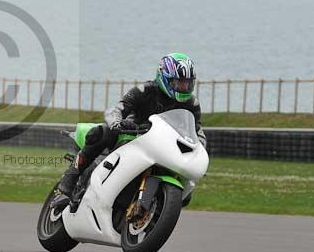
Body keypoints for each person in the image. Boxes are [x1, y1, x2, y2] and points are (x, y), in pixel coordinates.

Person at [54, 53, 207, 205]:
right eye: (179, 82)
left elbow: (197, 132)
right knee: (101, 133)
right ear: (164, 77)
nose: (184, 87)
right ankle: (66, 185)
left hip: (164, 147)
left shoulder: (191, 104)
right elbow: (116, 109)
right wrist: (117, 123)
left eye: (187, 83)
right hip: (132, 134)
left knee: (185, 197)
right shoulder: (145, 90)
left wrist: (198, 157)